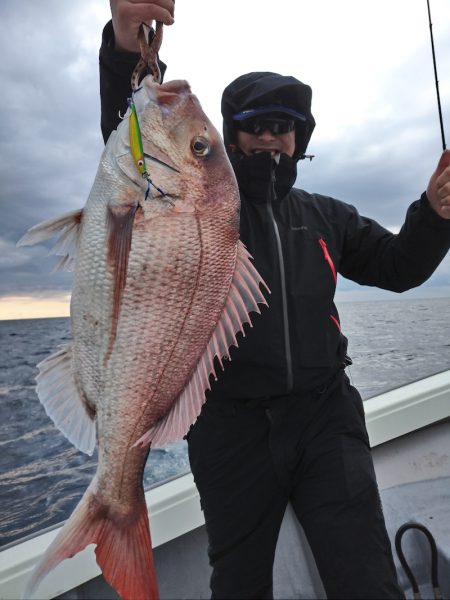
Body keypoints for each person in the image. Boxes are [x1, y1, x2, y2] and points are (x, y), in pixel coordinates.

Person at [100, 2, 450, 598]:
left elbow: (398, 267)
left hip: (325, 417)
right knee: (238, 583)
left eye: (282, 125)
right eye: (254, 124)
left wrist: (435, 216)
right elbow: (141, 148)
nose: (268, 136)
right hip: (227, 428)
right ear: (229, 134)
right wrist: (127, 50)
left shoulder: (324, 216)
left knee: (365, 577)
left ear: (299, 137)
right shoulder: (196, 206)